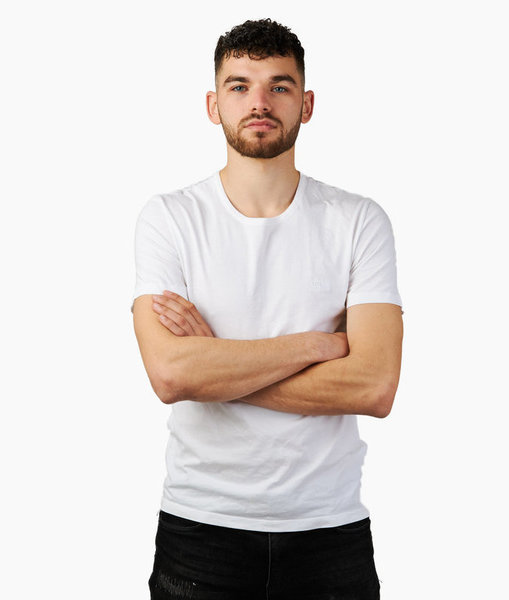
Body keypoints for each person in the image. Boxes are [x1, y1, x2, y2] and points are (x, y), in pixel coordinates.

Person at [132, 17, 403, 600]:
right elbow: (172, 375)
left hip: (329, 529)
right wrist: (319, 345)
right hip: (201, 528)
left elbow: (375, 386)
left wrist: (216, 364)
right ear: (213, 105)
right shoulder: (169, 218)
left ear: (307, 104)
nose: (259, 102)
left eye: (279, 86)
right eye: (239, 86)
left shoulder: (359, 221)